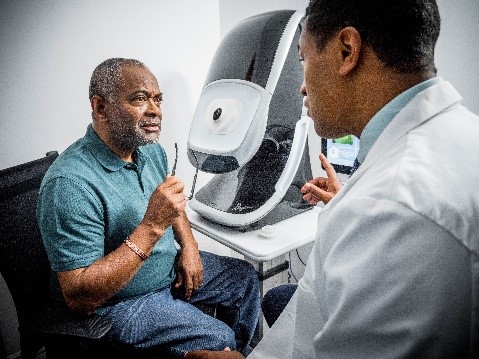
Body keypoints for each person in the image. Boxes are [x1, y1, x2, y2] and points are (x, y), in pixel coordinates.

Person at [248, 0, 479, 358]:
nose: (302, 88)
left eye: (303, 60)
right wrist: (347, 200)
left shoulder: (389, 208)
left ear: (346, 51)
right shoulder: (463, 132)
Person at [37, 58, 260, 358]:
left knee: (244, 280)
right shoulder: (69, 183)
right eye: (140, 99)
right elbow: (80, 298)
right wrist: (152, 227)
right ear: (100, 107)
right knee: (218, 338)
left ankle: (238, 352)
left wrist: (190, 247)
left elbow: (172, 202)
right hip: (117, 304)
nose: (155, 110)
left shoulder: (149, 150)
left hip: (165, 270)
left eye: (158, 99)